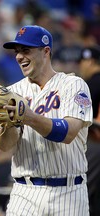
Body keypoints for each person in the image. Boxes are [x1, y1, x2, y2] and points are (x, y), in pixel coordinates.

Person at [0, 25, 93, 215]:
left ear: (46, 51)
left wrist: (29, 117)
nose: (19, 57)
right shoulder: (11, 93)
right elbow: (5, 146)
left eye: (26, 50)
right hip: (24, 192)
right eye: (17, 52)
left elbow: (68, 132)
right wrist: (8, 124)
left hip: (68, 192)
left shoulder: (73, 85)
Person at [78, 46, 100, 216]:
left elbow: (78, 111)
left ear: (90, 62)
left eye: (82, 63)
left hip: (96, 143)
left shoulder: (91, 83)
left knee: (82, 193)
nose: (80, 67)